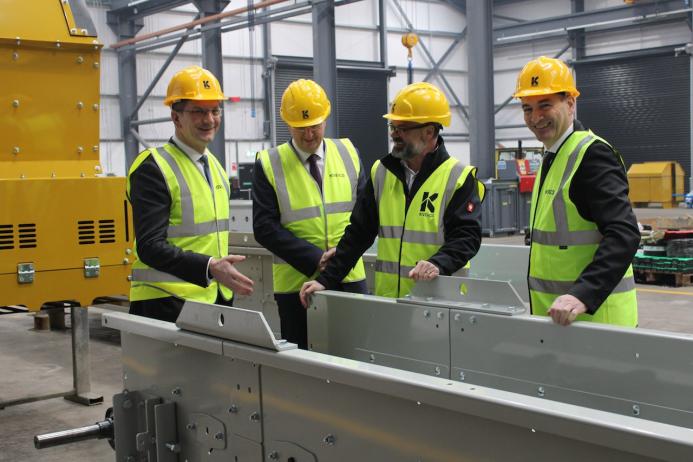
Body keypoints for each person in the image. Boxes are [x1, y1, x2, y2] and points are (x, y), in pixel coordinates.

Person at [300, 82, 484, 305]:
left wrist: (438, 263)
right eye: (393, 126)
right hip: (391, 305)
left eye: (403, 128)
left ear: (429, 132)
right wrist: (326, 280)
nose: (395, 134)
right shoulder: (382, 173)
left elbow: (467, 238)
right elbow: (359, 233)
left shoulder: (458, 178)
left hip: (441, 305)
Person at [514, 56, 639, 327]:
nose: (535, 118)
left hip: (598, 323)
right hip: (560, 323)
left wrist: (583, 293)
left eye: (545, 105)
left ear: (570, 103)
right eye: (527, 108)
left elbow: (624, 234)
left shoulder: (592, 155)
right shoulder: (552, 156)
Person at [126, 66, 254, 322]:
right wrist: (209, 267)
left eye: (215, 110)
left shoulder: (215, 167)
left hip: (213, 299)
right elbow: (150, 246)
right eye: (198, 111)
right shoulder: (153, 167)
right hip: (165, 303)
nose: (209, 120)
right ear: (176, 118)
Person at [252, 79, 367, 349]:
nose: (308, 135)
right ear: (287, 123)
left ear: (325, 118)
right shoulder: (269, 163)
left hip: (349, 277)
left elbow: (364, 216)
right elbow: (264, 227)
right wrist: (316, 259)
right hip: (296, 286)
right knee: (304, 363)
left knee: (356, 358)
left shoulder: (348, 152)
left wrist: (341, 255)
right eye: (300, 127)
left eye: (314, 125)